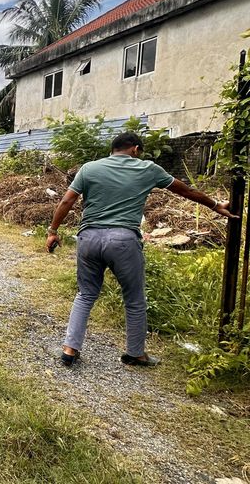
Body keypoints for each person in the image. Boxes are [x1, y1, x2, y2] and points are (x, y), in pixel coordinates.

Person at [46, 131, 235, 367]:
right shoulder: (148, 169)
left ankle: (69, 350)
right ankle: (135, 353)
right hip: (123, 240)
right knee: (134, 299)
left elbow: (66, 201)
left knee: (85, 294)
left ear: (113, 149)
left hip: (88, 238)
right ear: (135, 149)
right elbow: (186, 190)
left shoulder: (89, 168)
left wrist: (53, 230)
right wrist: (216, 205)